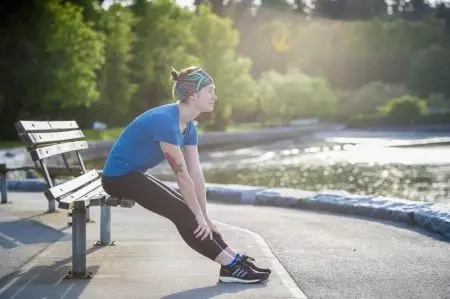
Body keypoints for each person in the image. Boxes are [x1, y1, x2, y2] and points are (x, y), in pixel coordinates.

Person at [101, 66, 271, 284]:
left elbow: (195, 172)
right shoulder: (166, 121)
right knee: (182, 211)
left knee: (191, 210)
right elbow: (181, 176)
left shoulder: (189, 126)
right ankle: (229, 266)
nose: (215, 96)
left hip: (133, 174)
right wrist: (197, 216)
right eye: (210, 90)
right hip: (118, 178)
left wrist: (205, 216)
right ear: (193, 95)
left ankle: (232, 259)